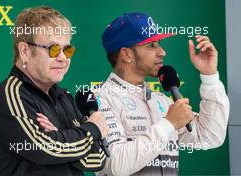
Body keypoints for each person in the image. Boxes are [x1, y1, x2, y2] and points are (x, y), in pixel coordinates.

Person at [93, 12, 230, 176]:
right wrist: (169, 124)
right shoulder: (100, 99)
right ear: (126, 54)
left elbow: (209, 136)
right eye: (152, 45)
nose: (162, 52)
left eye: (158, 44)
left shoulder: (162, 101)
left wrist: (210, 76)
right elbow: (115, 164)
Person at [0, 6, 109, 176]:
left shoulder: (65, 97)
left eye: (67, 50)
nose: (62, 58)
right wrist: (92, 129)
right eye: (53, 49)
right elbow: (44, 149)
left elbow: (97, 158)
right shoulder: (9, 96)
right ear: (24, 51)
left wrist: (59, 136)